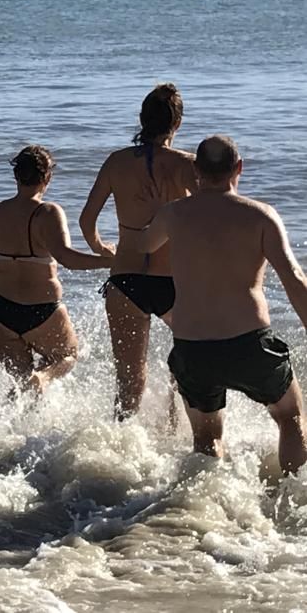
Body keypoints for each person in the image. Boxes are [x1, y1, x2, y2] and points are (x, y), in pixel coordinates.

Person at [137, 135, 307, 473]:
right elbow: (294, 280)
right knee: (290, 417)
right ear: (239, 168)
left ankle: (210, 502)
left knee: (206, 436)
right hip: (250, 345)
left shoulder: (173, 215)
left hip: (193, 349)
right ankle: (291, 499)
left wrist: (159, 211)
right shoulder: (261, 217)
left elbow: (143, 244)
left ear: (196, 170)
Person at [0, 146, 112, 394]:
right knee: (66, 358)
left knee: (21, 383)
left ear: (16, 176)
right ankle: (44, 378)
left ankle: (7, 429)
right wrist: (111, 261)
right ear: (47, 177)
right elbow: (67, 258)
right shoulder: (48, 212)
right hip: (41, 310)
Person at [79, 83, 197, 420]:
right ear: (177, 124)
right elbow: (210, 217)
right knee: (188, 372)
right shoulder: (187, 165)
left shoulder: (116, 162)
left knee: (129, 383)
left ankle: (115, 453)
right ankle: (178, 437)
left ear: (141, 119)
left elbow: (87, 219)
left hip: (126, 279)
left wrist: (102, 249)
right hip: (176, 282)